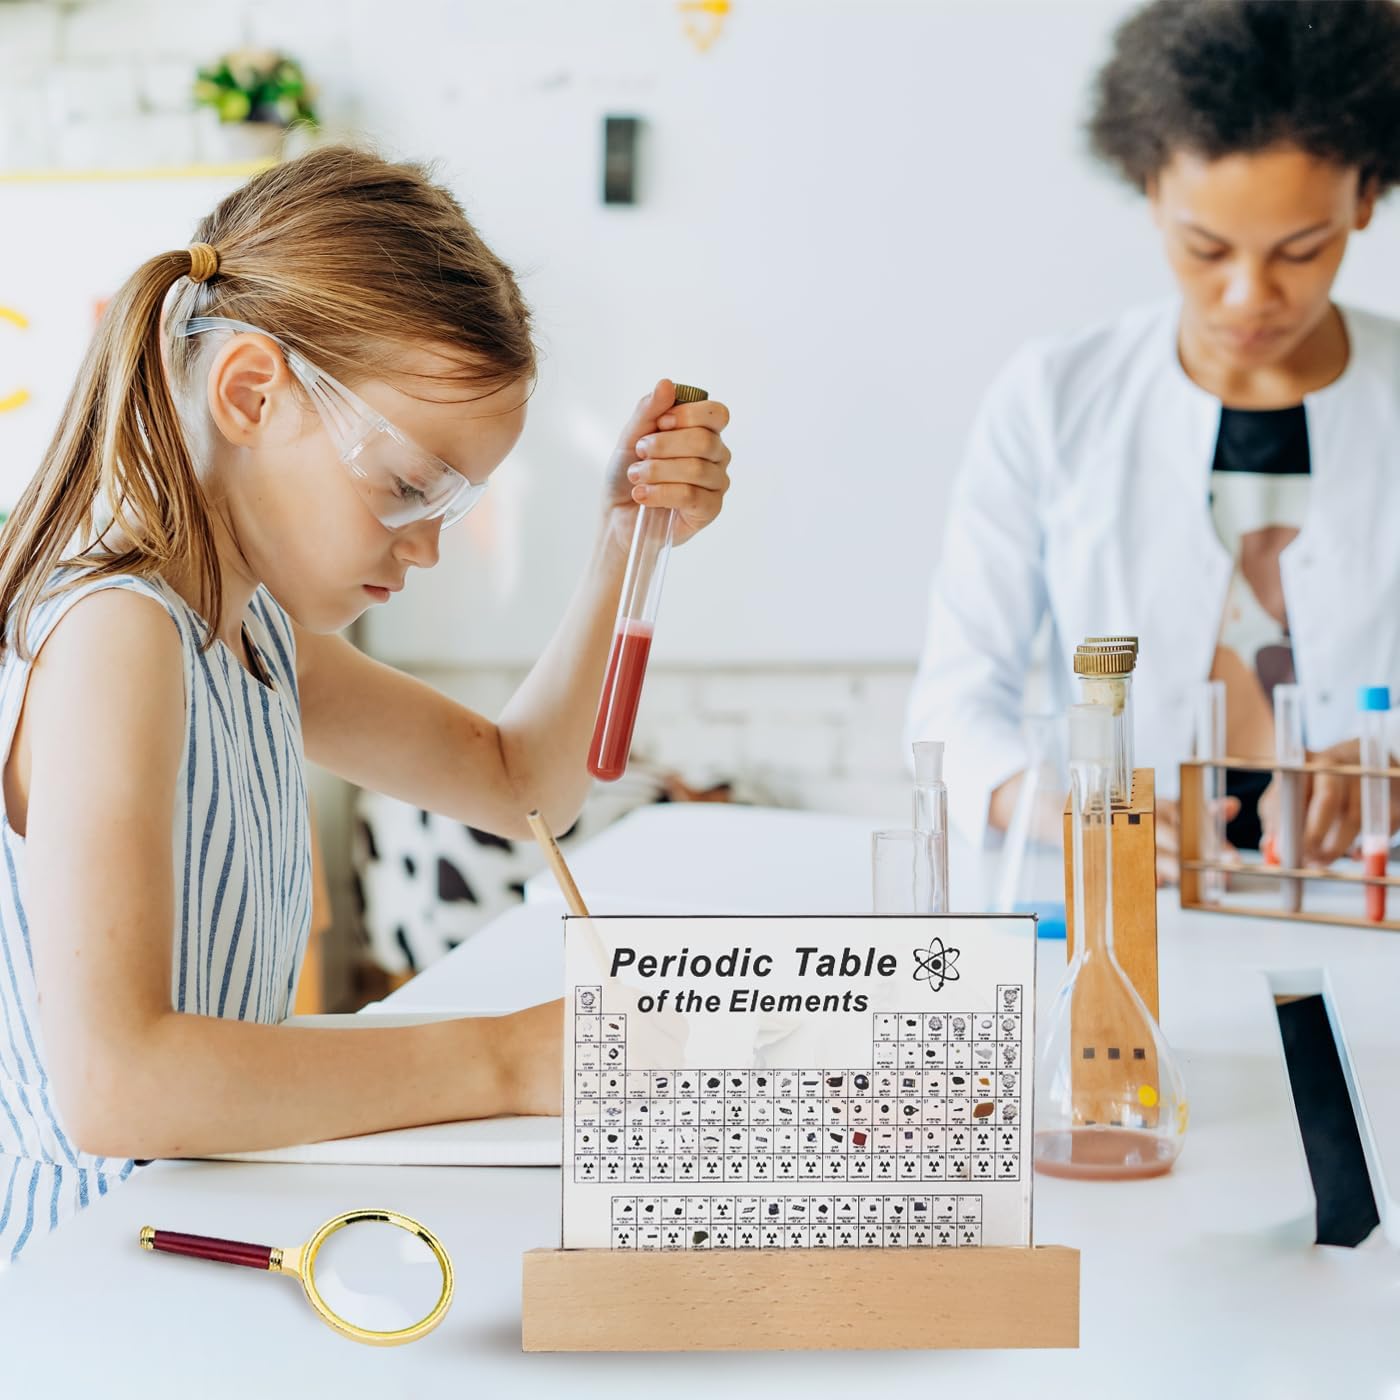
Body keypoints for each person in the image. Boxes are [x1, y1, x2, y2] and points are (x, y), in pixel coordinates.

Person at [0, 146, 732, 1261]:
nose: (430, 544)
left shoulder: (247, 631)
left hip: (184, 1234)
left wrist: (624, 547)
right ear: (251, 391)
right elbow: (117, 1082)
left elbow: (520, 783)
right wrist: (510, 1059)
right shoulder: (117, 630)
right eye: (405, 488)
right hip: (77, 1273)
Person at [907, 0, 1400, 883]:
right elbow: (950, 704)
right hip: (1136, 909)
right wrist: (1065, 807)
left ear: (1365, 196)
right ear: (1150, 189)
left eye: (1300, 250)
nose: (1250, 296)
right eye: (1207, 248)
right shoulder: (1054, 397)